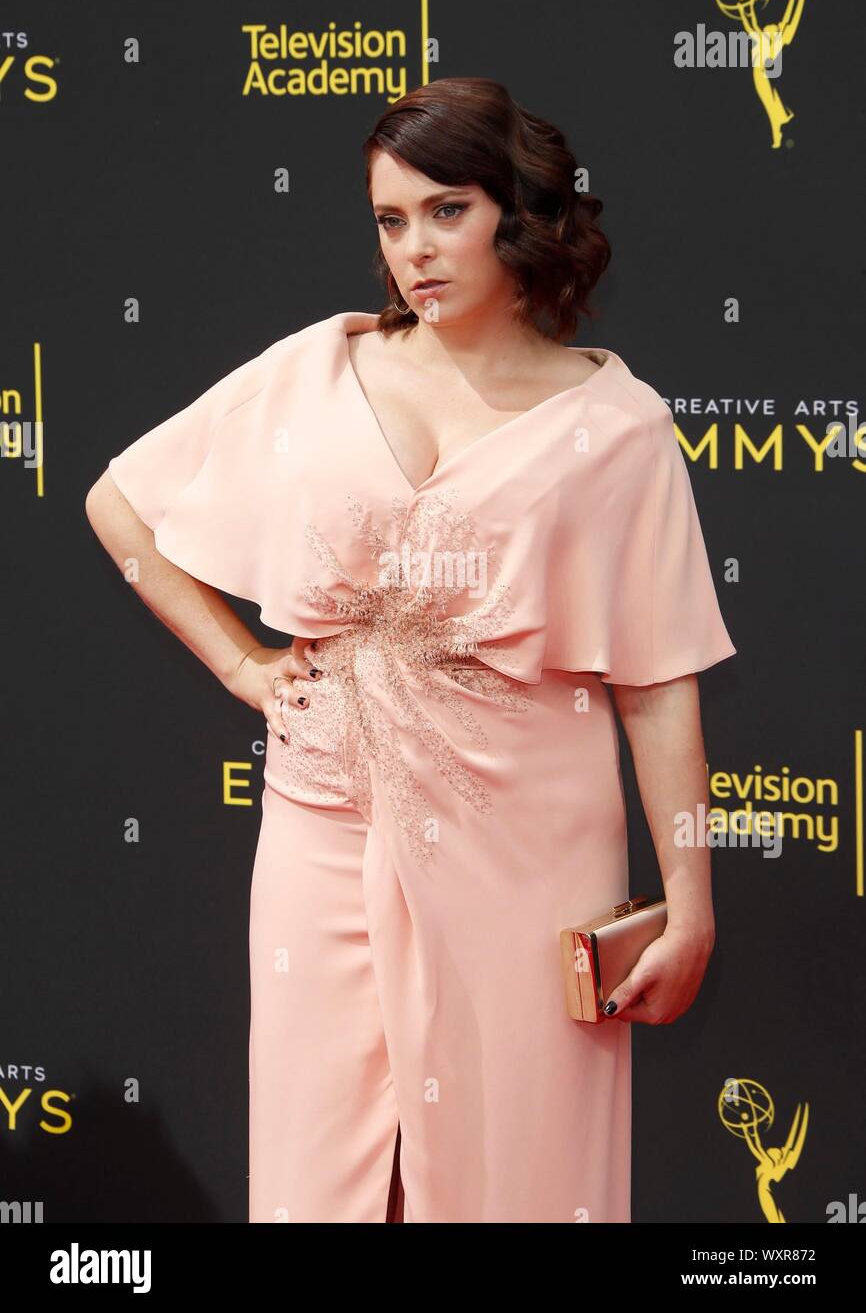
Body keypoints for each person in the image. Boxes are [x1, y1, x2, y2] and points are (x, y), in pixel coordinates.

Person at [85, 76, 736, 1224]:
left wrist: (688, 903)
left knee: (511, 1170)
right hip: (323, 828)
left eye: (446, 211)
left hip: (527, 852)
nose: (414, 251)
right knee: (328, 1169)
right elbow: (120, 504)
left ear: (517, 215)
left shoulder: (617, 428)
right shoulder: (319, 369)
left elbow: (654, 677)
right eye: (389, 221)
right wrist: (242, 664)